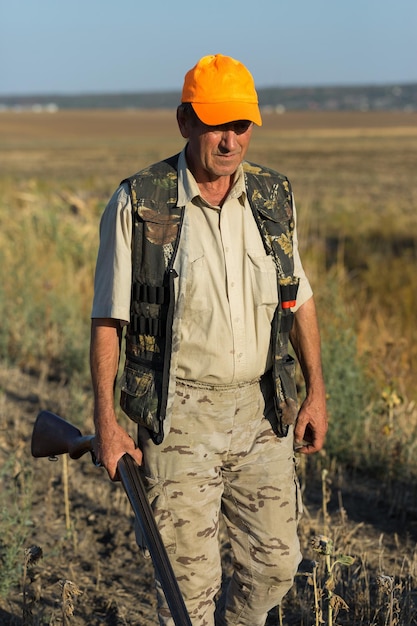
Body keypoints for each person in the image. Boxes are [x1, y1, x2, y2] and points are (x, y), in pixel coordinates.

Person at [90, 53, 328, 626]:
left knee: (275, 566)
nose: (229, 140)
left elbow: (299, 300)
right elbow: (107, 321)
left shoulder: (273, 199)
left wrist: (316, 391)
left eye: (241, 125)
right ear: (184, 122)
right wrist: (106, 421)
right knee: (186, 592)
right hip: (179, 416)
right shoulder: (140, 202)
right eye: (216, 123)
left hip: (260, 410)